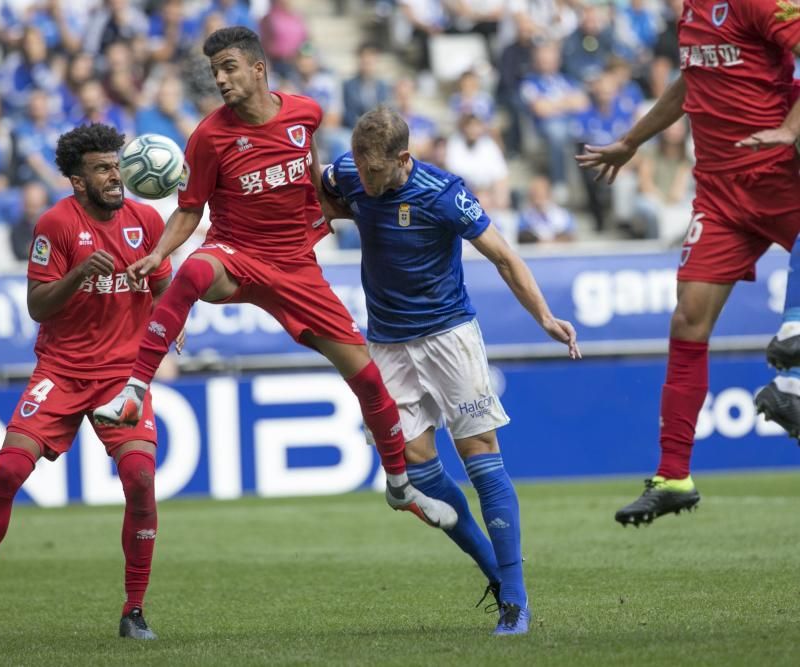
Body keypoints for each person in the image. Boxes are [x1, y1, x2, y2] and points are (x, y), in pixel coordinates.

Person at [93, 26, 457, 530]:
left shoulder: (304, 113)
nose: (220, 79)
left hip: (296, 267)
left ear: (258, 69)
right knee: (195, 269)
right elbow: (188, 210)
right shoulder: (207, 138)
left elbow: (308, 174)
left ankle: (399, 486)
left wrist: (324, 213)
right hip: (236, 253)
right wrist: (158, 253)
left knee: (370, 380)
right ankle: (134, 391)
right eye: (215, 71)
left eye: (229, 68)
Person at [321, 107, 579, 635]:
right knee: (416, 468)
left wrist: (545, 317)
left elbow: (504, 257)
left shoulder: (444, 194)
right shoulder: (349, 172)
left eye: (375, 173)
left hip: (449, 337)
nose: (364, 183)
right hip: (387, 345)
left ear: (404, 159)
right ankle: (499, 576)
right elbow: (322, 195)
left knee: (480, 457)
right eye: (360, 172)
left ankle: (515, 597)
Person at [0, 124, 174, 641]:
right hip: (61, 369)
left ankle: (134, 611)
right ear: (77, 180)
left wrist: (166, 330)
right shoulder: (56, 223)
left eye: (117, 165)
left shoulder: (147, 220)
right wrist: (80, 272)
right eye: (102, 168)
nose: (115, 175)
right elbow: (37, 304)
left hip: (120, 376)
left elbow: (164, 286)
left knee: (141, 480)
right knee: (8, 470)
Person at [576, 0, 800, 526]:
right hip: (721, 192)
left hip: (778, 169)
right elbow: (691, 83)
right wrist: (631, 141)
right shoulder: (691, 12)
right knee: (687, 318)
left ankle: (794, 339)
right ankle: (674, 475)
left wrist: (790, 129)